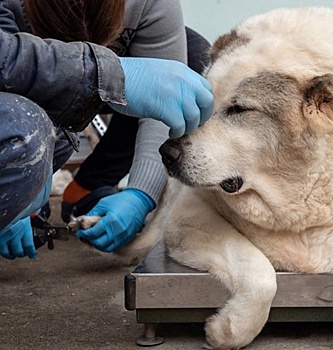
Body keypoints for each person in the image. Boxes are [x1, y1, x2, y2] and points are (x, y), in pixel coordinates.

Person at [0, 0, 214, 260]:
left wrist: (141, 193)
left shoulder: (151, 4)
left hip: (111, 80)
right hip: (19, 76)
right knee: (29, 130)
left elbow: (165, 114)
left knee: (191, 67)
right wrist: (18, 187)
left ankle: (89, 184)